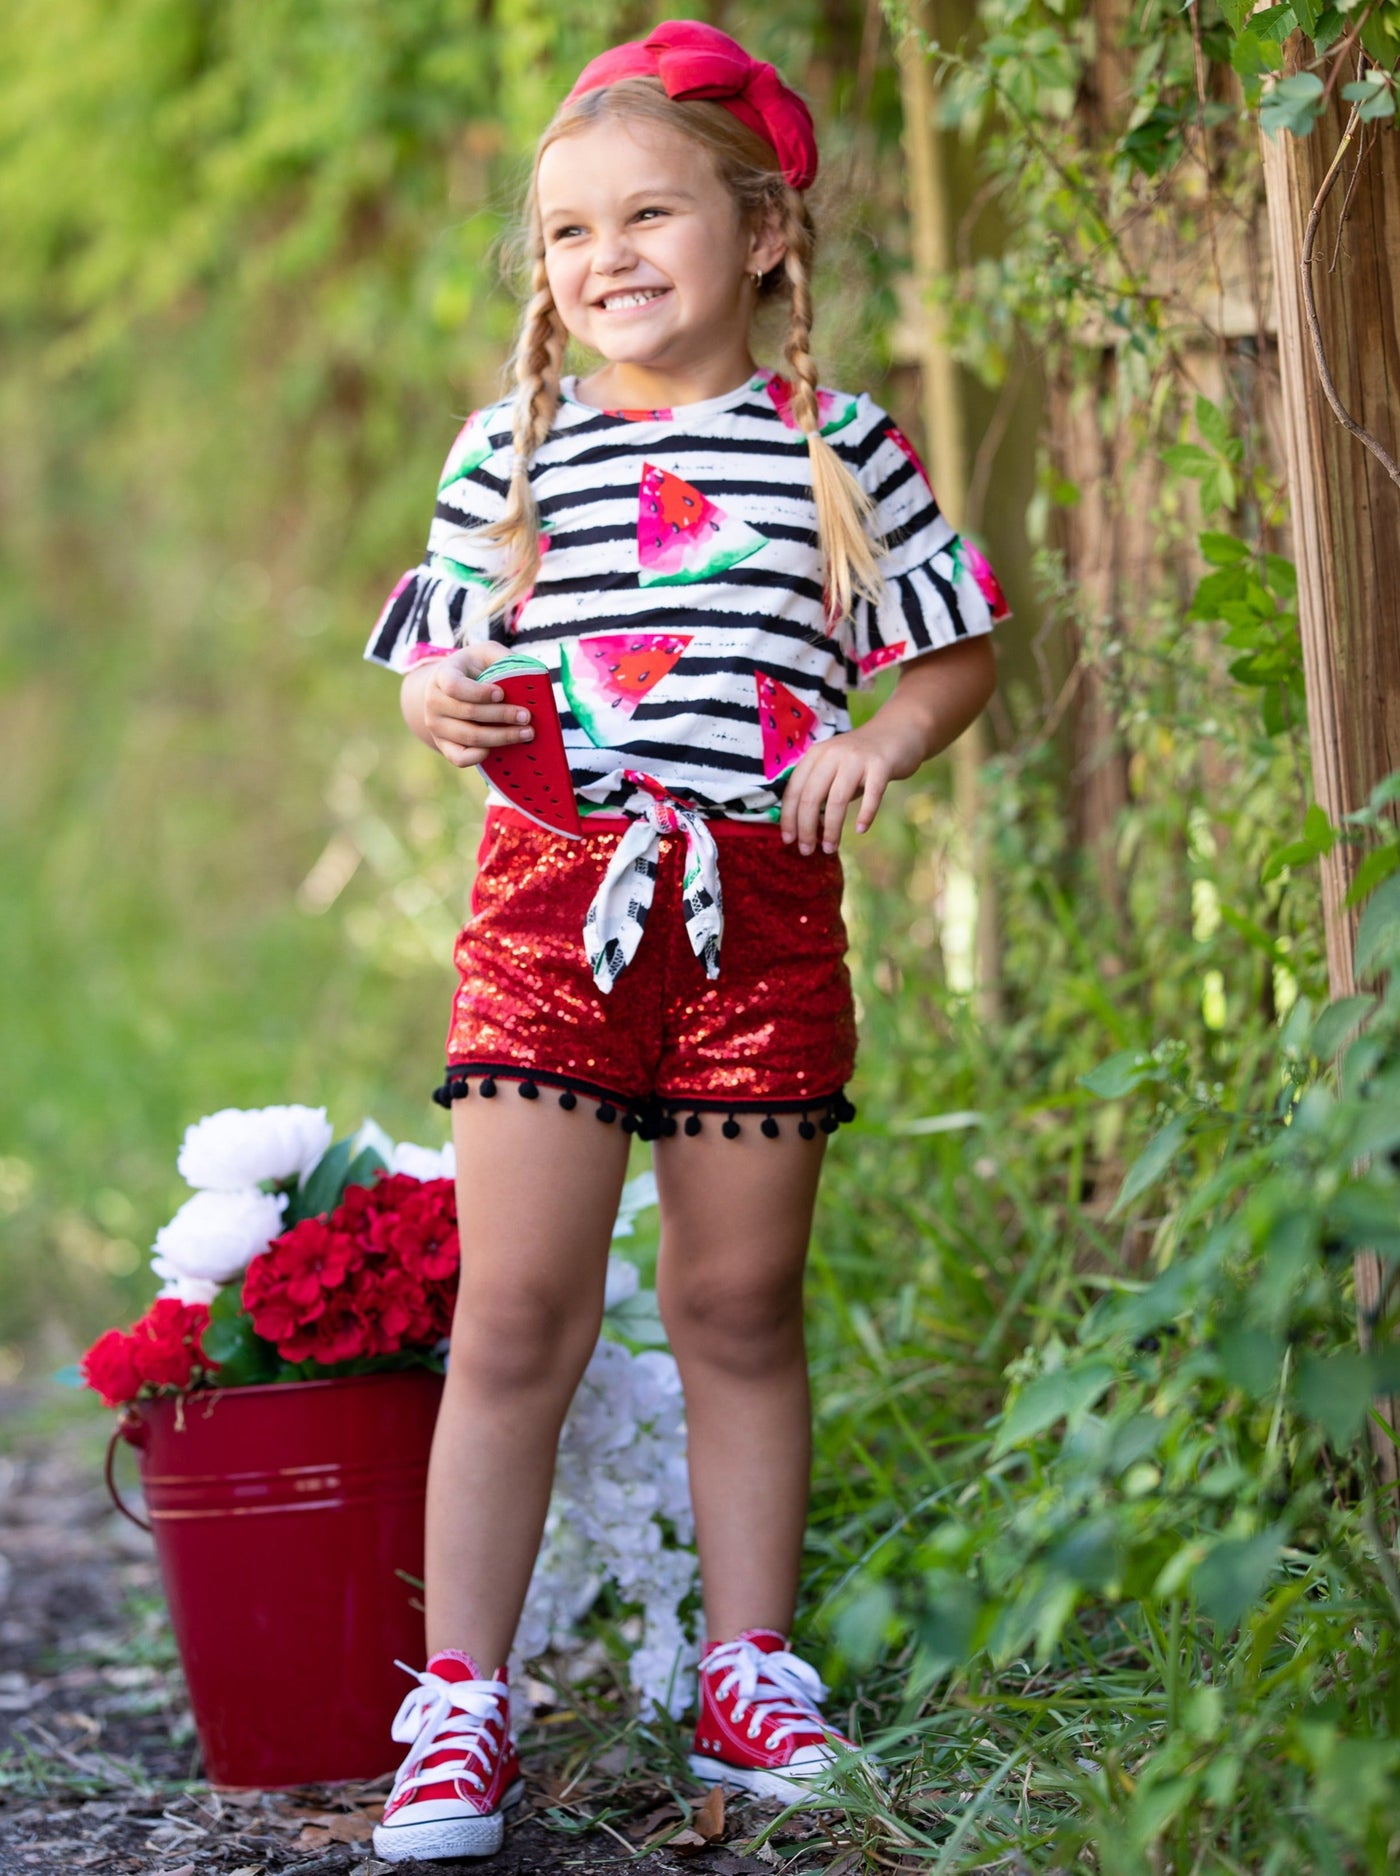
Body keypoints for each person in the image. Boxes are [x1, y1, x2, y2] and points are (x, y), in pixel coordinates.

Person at [362, 20, 1007, 1864]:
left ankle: (747, 1670)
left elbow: (949, 648)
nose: (606, 258)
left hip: (761, 921)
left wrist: (877, 737)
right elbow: (436, 659)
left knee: (740, 1306)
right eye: (568, 232)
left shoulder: (842, 449)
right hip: (554, 912)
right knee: (516, 1317)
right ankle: (459, 1707)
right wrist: (446, 708)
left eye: (651, 215)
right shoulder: (517, 448)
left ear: (765, 239)